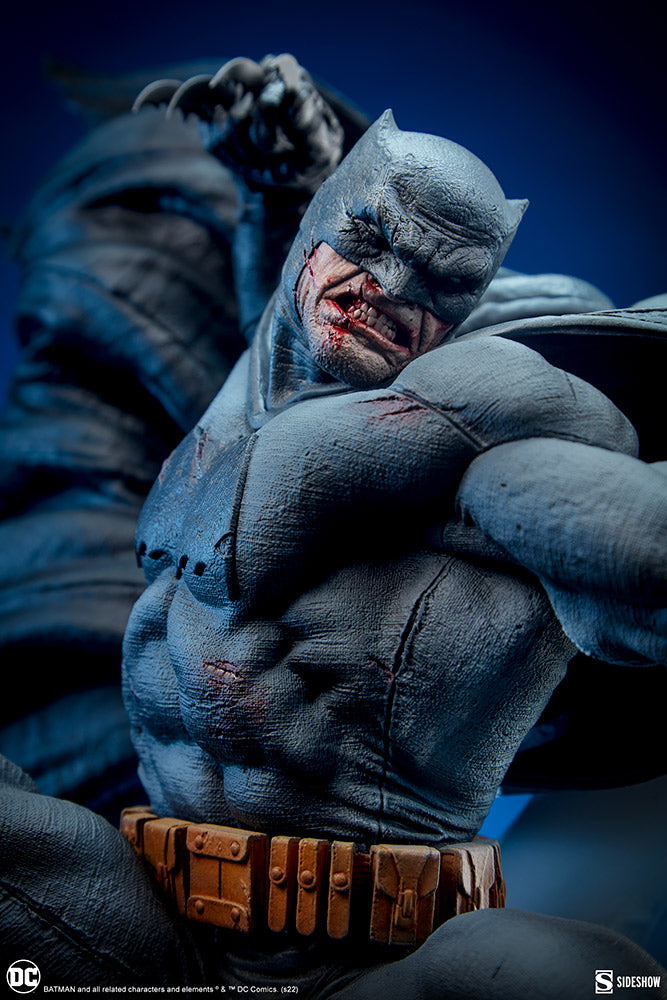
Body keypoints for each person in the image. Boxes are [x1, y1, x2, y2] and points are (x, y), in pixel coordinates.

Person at [1, 54, 665, 998]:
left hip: (355, 966)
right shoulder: (241, 396)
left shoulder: (475, 415)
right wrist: (280, 177)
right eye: (369, 238)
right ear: (319, 218)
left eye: (437, 282)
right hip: (149, 917)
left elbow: (623, 541)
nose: (385, 286)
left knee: (583, 979)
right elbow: (285, 320)